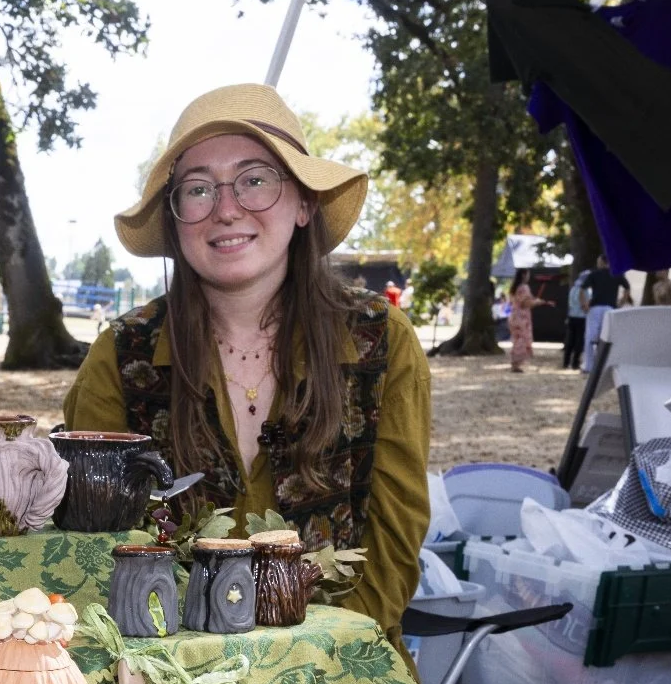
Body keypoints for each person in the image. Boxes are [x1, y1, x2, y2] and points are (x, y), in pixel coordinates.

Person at [62, 82, 431, 643]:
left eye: (255, 180)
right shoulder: (121, 355)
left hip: (339, 671)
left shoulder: (380, 342)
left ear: (305, 203)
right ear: (176, 216)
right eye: (198, 189)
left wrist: (310, 667)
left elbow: (394, 547)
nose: (227, 209)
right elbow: (90, 546)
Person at [505, 270, 544, 373]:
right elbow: (525, 303)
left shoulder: (514, 288)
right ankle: (516, 364)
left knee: (516, 339)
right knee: (522, 340)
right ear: (523, 275)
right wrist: (537, 302)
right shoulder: (524, 288)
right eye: (528, 274)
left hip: (513, 316)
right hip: (522, 318)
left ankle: (515, 363)